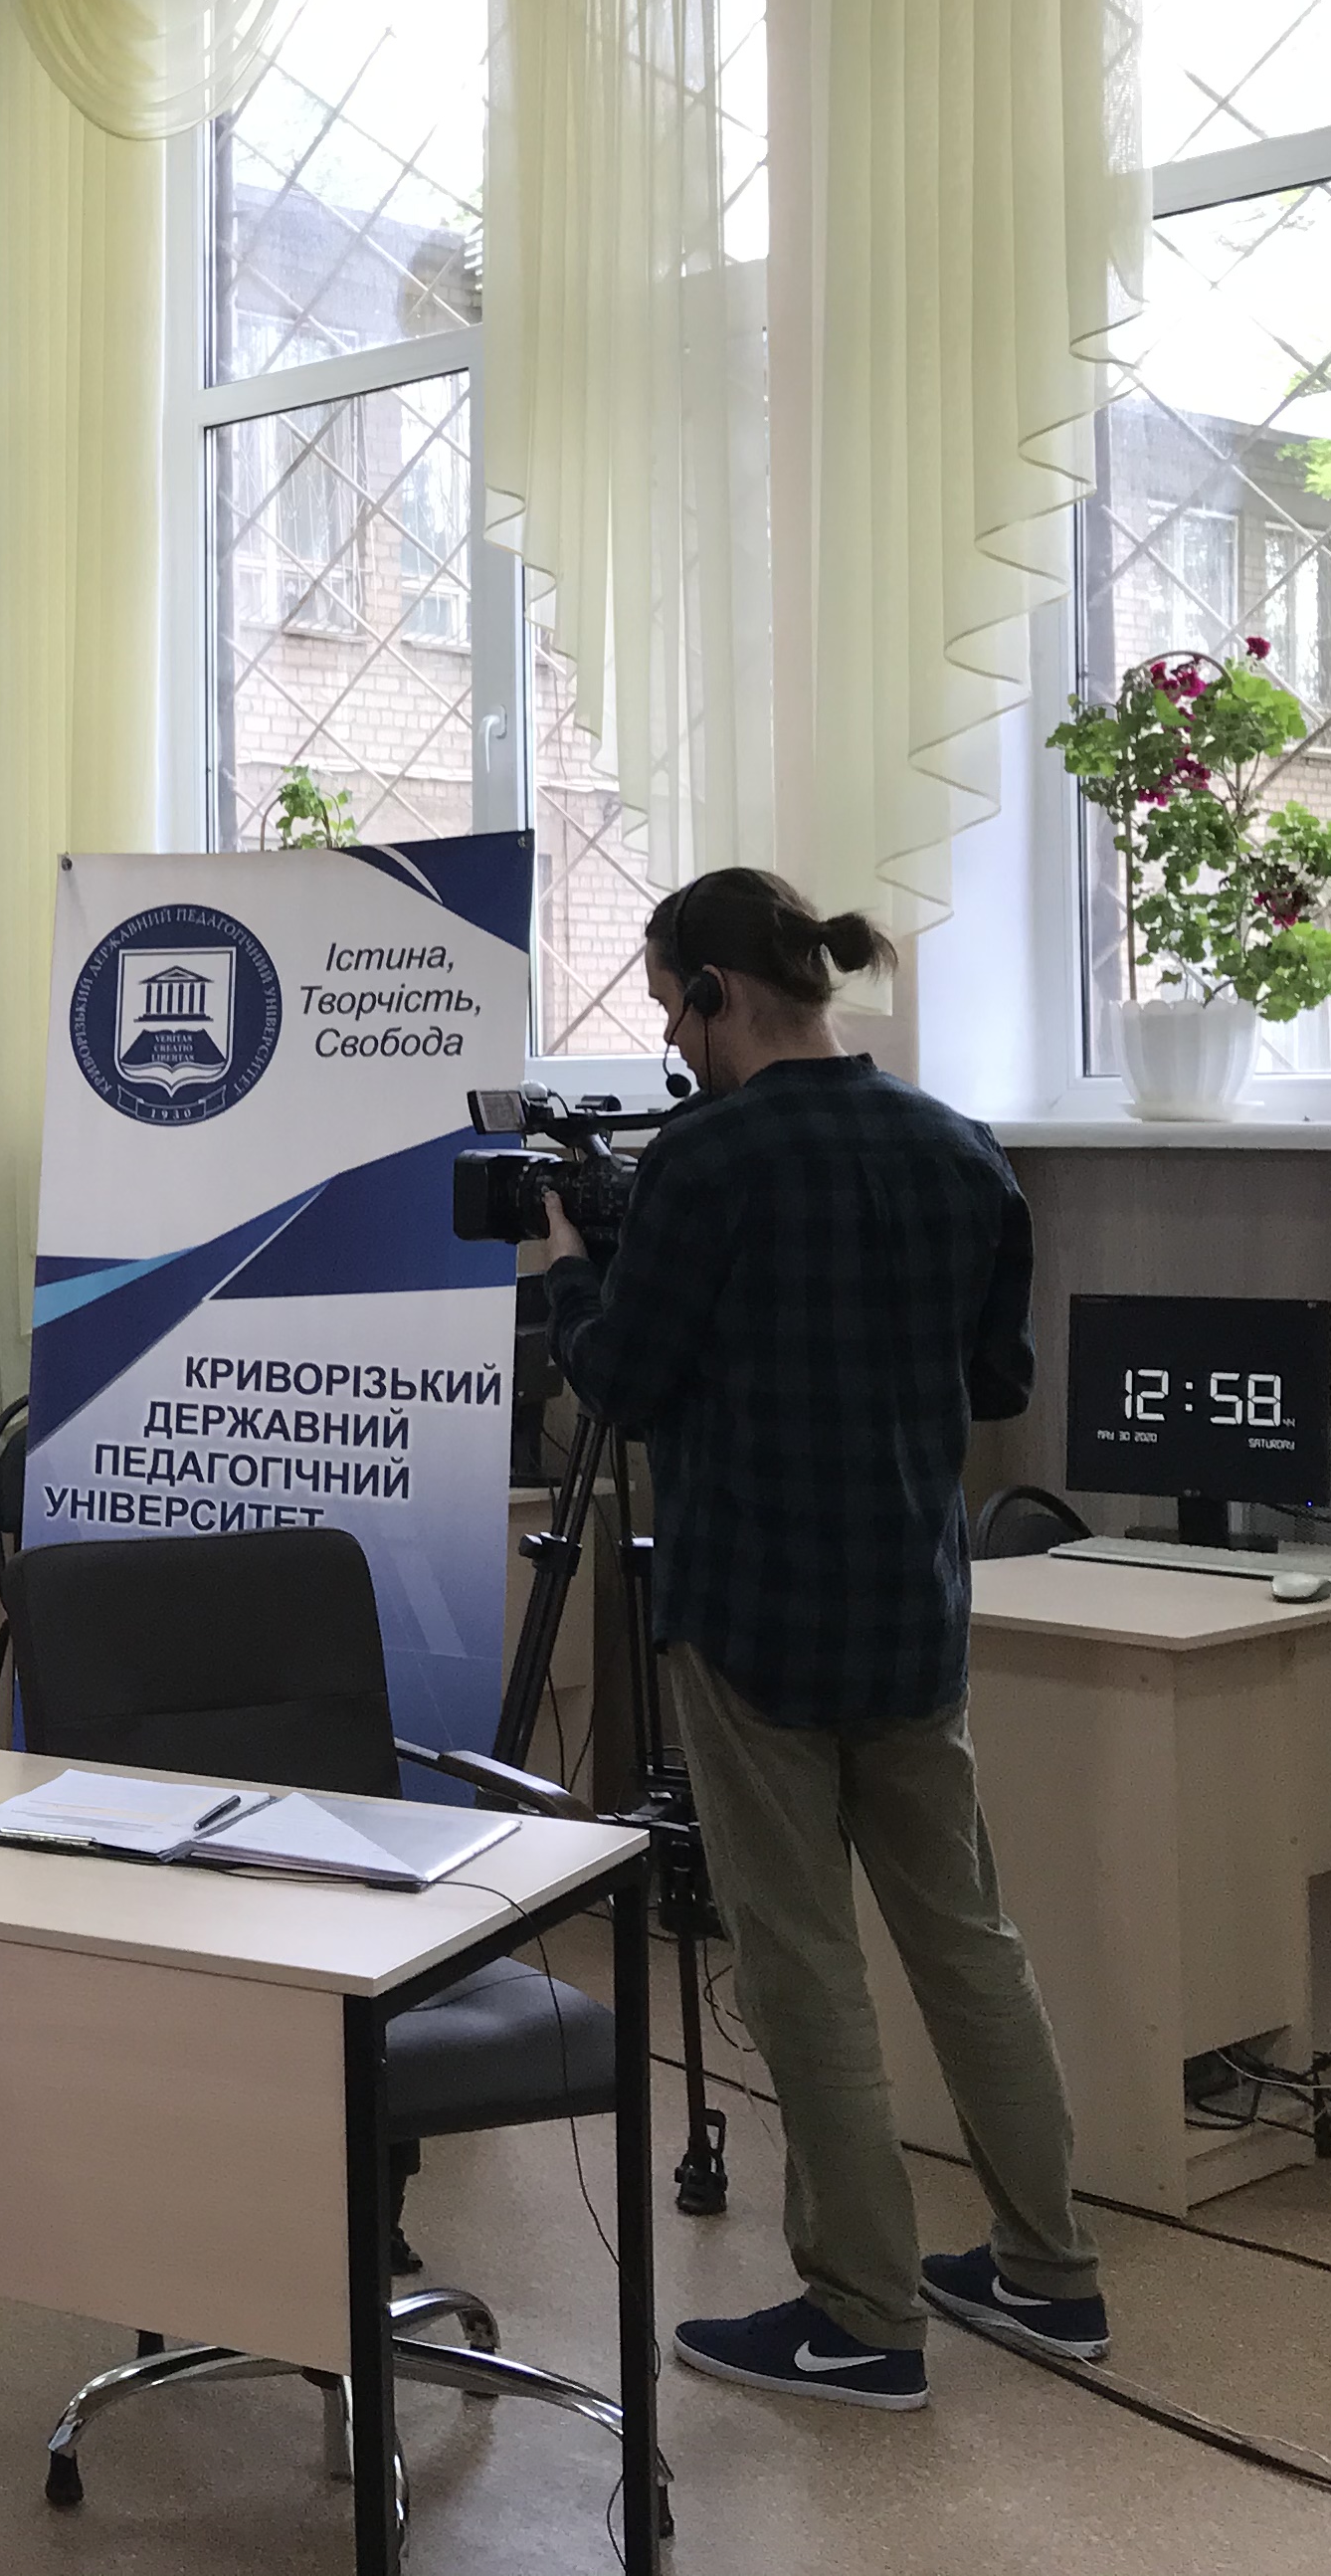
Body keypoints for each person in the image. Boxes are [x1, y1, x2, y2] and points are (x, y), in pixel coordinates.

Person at [540, 867, 1103, 2411]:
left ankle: (862, 2316)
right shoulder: (960, 1146)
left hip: (754, 1616)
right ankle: (1051, 2272)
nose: (675, 1044)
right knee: (968, 1942)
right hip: (912, 1609)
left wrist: (573, 1268)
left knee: (801, 1961)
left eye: (671, 1011)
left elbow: (627, 1382)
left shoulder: (707, 1160)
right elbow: (997, 1383)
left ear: (717, 993)